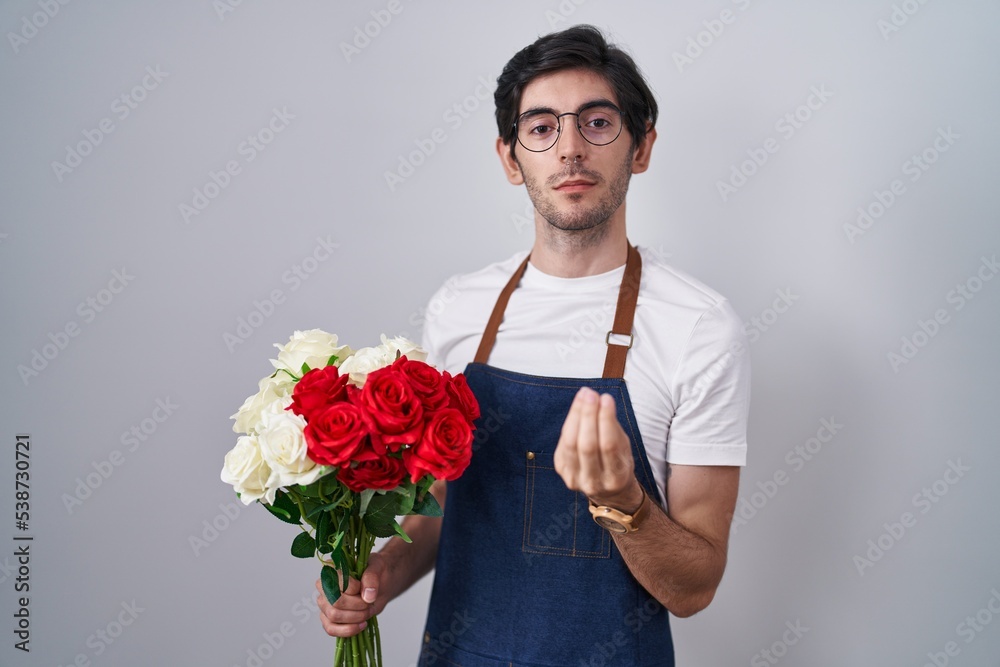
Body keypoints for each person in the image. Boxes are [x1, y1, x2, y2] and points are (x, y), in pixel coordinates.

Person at [317, 24, 750, 666]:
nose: (570, 148)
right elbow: (442, 504)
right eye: (542, 127)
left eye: (597, 122)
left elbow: (695, 587)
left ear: (641, 147)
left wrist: (622, 501)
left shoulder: (700, 327)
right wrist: (378, 574)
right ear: (511, 159)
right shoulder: (459, 309)